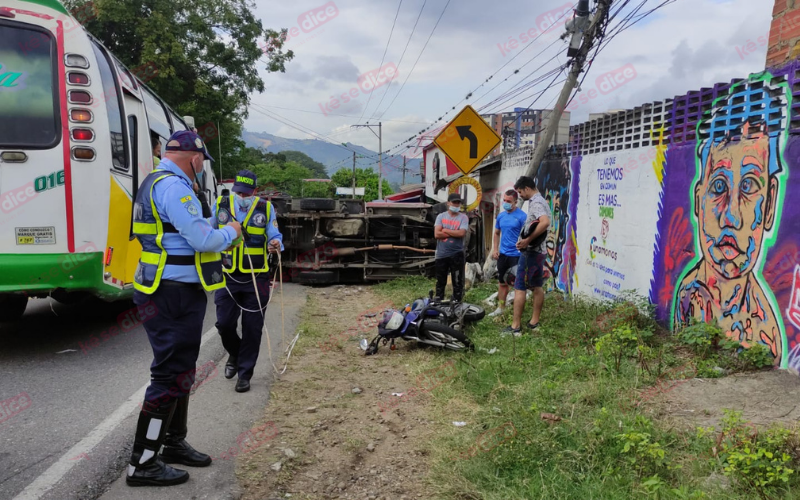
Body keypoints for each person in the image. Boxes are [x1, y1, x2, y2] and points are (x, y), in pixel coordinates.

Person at [127, 130, 242, 487]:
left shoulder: (156, 182)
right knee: (169, 374)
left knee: (181, 371)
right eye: (202, 162)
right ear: (194, 158)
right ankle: (143, 463)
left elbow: (185, 231)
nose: (201, 168)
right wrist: (231, 232)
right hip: (171, 292)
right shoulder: (175, 186)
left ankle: (172, 443)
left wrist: (213, 224)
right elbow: (203, 241)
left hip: (170, 289)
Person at [674, 80, 788, 365]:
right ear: (699, 201)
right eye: (718, 187)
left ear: (771, 204)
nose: (731, 216)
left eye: (749, 186)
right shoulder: (693, 297)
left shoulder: (766, 334)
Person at [213, 170, 283, 393]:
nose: (242, 197)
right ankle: (234, 352)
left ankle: (244, 373)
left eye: (246, 193)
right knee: (224, 324)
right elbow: (208, 231)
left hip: (257, 278)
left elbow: (274, 234)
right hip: (228, 276)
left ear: (254, 191)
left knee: (253, 328)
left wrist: (275, 244)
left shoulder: (265, 208)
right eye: (238, 192)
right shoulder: (221, 204)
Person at [504, 176, 550, 336]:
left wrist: (527, 241)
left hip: (531, 252)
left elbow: (544, 222)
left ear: (527, 189)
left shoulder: (536, 203)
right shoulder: (541, 201)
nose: (520, 195)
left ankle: (515, 326)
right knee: (537, 286)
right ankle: (534, 322)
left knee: (520, 287)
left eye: (520, 192)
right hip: (539, 252)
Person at [489, 190, 527, 317]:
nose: (505, 203)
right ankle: (501, 307)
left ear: (516, 202)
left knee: (517, 285)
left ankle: (516, 313)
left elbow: (527, 236)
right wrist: (495, 249)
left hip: (516, 256)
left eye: (508, 201)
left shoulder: (522, 216)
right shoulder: (501, 216)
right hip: (503, 255)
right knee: (502, 283)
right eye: (504, 200)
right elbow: (496, 233)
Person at [434, 193, 469, 302]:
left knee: (457, 281)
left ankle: (457, 302)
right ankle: (439, 301)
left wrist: (445, 230)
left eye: (458, 202)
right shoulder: (441, 216)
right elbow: (436, 234)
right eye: (454, 202)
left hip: (457, 254)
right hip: (441, 254)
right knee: (440, 281)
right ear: (448, 203)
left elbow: (461, 233)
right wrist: (454, 232)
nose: (456, 204)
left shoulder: (463, 217)